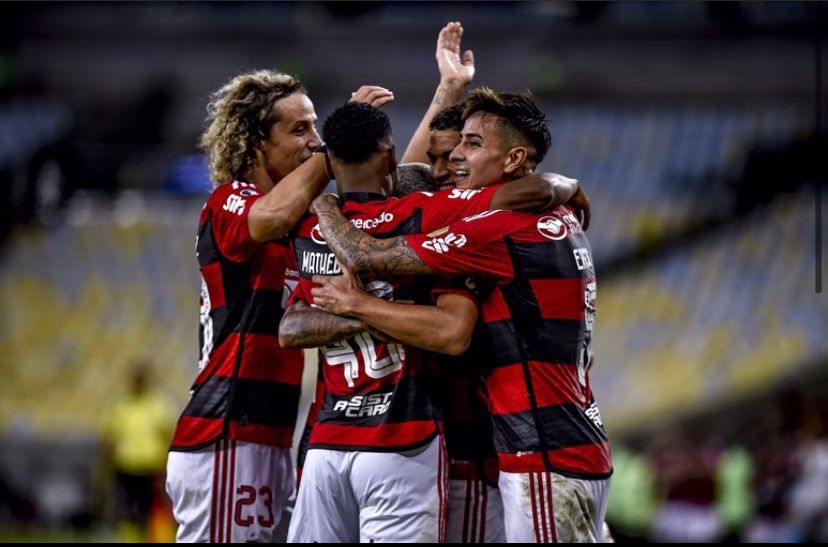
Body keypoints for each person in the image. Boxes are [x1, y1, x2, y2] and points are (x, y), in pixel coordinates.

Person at [311, 87, 611, 543]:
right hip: (570, 440)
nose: (455, 156)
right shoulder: (556, 210)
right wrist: (564, 182)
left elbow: (362, 253)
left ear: (512, 160)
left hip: (544, 453)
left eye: (472, 144)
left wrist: (324, 204)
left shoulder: (494, 230)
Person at [164, 70, 392, 543]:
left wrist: (442, 96)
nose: (314, 142)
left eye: (316, 129)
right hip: (226, 430)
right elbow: (272, 214)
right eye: (300, 129)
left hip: (267, 432)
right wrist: (334, 151)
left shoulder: (298, 224)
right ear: (254, 141)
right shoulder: (231, 201)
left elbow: (385, 207)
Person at [102, 362, 177, 542]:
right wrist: (109, 461)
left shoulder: (159, 404)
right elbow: (108, 436)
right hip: (126, 467)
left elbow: (171, 435)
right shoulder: (120, 404)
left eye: (141, 378)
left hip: (153, 468)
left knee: (158, 511)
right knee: (128, 512)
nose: (138, 382)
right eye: (135, 378)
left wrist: (168, 464)